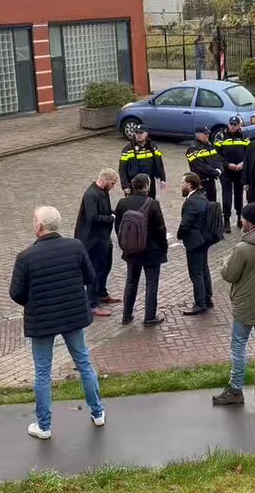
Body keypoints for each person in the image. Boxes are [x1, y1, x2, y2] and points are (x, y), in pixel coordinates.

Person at [9, 206, 105, 440]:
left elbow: (16, 293)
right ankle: (98, 411)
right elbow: (90, 278)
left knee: (43, 372)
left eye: (34, 221)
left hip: (42, 320)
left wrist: (33, 301)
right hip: (72, 315)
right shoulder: (75, 246)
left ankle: (44, 425)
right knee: (83, 363)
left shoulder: (26, 257)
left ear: (39, 226)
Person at [211, 203, 255, 406]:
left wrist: (225, 261)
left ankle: (235, 390)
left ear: (249, 222)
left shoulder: (243, 248)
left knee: (238, 346)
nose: (241, 221)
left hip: (246, 304)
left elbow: (229, 274)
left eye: (243, 218)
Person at [114, 174, 168, 326]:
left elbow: (118, 226)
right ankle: (149, 317)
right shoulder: (153, 204)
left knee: (131, 281)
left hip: (131, 249)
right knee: (151, 283)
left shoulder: (122, 203)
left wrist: (124, 244)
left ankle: (126, 314)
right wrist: (163, 247)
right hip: (151, 251)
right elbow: (160, 230)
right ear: (146, 186)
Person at [74, 168, 119, 316]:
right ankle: (92, 303)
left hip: (103, 238)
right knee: (95, 269)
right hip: (92, 240)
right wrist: (111, 218)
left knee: (106, 264)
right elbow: (93, 217)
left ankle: (101, 292)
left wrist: (114, 211)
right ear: (105, 181)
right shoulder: (91, 194)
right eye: (112, 183)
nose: (113, 187)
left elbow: (104, 210)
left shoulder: (103, 192)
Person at [178, 173, 214, 316]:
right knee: (204, 269)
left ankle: (200, 303)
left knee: (196, 272)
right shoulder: (202, 197)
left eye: (183, 183)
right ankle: (207, 298)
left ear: (189, 184)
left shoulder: (191, 201)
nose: (181, 185)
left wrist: (179, 235)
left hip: (194, 241)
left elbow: (186, 223)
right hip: (204, 239)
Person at [214, 116, 250, 234]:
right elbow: (216, 155)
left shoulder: (244, 137)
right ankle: (227, 220)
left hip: (239, 171)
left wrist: (243, 163)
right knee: (227, 196)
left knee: (239, 195)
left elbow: (248, 153)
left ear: (239, 126)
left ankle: (240, 216)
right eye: (231, 124)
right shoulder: (220, 136)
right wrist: (227, 164)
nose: (232, 126)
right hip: (226, 171)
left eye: (235, 125)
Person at [118, 126, 166, 199]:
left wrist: (162, 178)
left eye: (141, 133)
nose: (138, 135)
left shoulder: (152, 147)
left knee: (149, 204)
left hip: (149, 183)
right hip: (134, 184)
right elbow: (122, 169)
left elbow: (159, 163)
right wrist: (125, 186)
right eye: (136, 133)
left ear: (146, 134)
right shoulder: (128, 149)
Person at [185, 126, 222, 202]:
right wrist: (215, 172)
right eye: (205, 134)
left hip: (211, 181)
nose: (207, 135)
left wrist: (220, 169)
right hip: (200, 183)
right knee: (202, 205)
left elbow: (216, 159)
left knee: (212, 205)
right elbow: (200, 166)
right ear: (198, 135)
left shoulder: (209, 145)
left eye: (208, 133)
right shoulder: (193, 148)